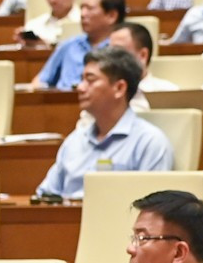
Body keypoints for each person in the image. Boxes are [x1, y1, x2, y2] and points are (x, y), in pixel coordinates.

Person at [35, 47, 174, 198]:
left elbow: (155, 210)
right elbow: (46, 195)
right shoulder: (74, 141)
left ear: (119, 88)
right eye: (82, 80)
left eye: (90, 80)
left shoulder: (149, 142)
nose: (80, 88)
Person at [31, 0, 123, 91]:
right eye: (82, 8)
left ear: (111, 16)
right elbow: (39, 82)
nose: (83, 14)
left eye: (89, 8)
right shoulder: (68, 46)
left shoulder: (121, 49)